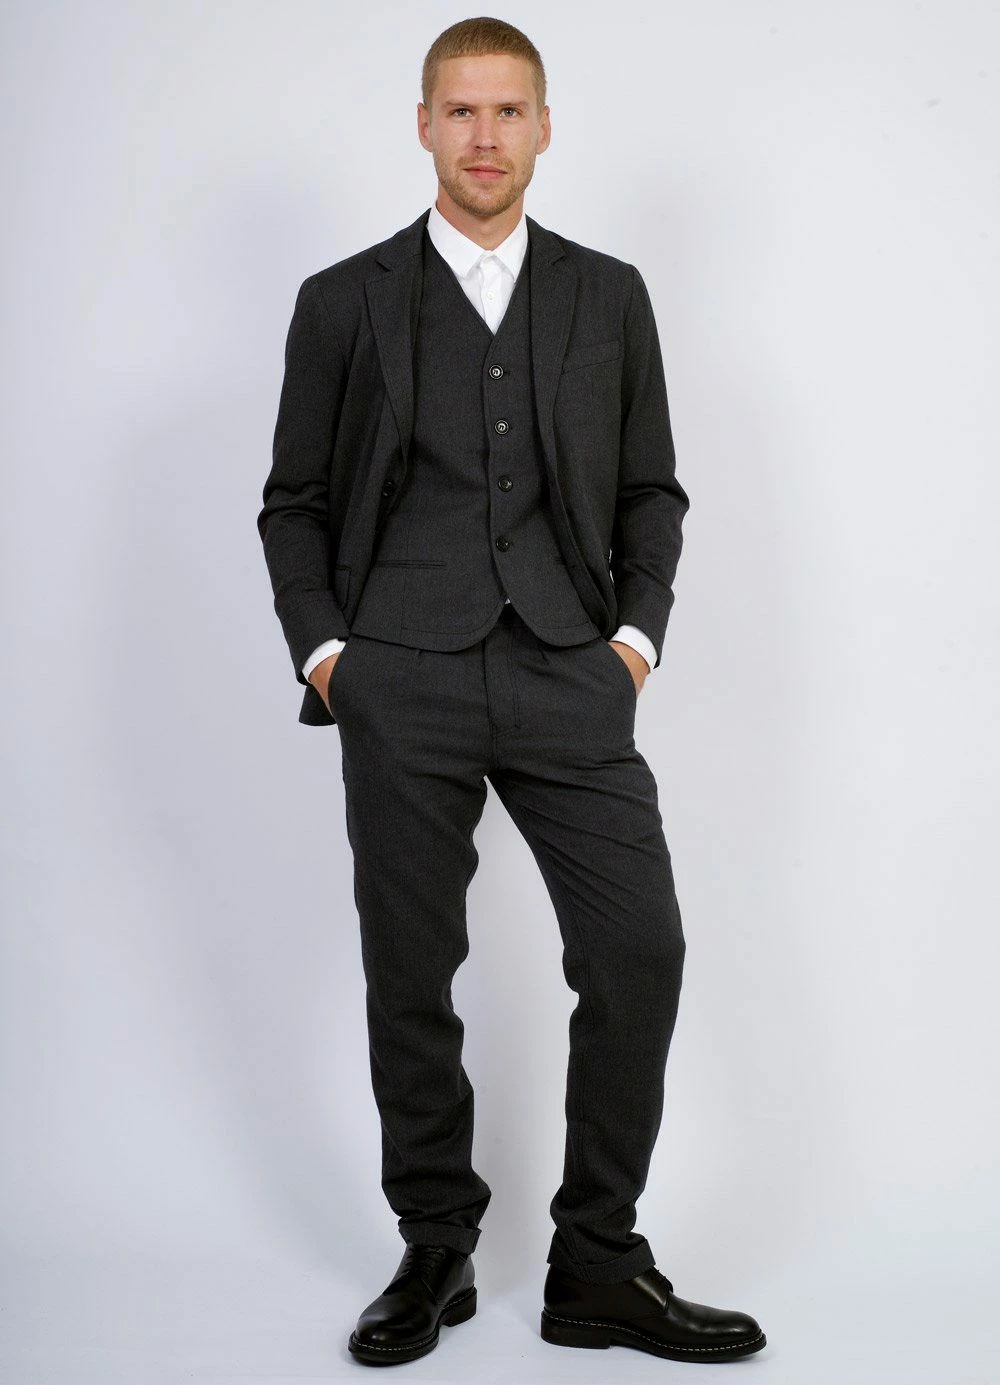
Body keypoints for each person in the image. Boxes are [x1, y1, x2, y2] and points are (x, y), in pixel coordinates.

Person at [257, 15, 767, 1368]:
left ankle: (599, 1260)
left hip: (566, 672)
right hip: (400, 676)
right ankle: (436, 1244)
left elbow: (652, 490)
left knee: (640, 948)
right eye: (461, 111)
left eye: (508, 111)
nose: (485, 137)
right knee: (411, 969)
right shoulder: (344, 300)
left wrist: (633, 644)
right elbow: (294, 502)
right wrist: (331, 658)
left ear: (545, 127)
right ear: (424, 125)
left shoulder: (611, 295)